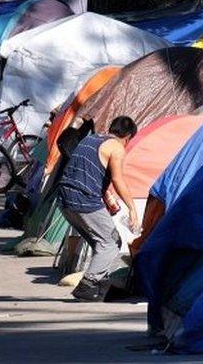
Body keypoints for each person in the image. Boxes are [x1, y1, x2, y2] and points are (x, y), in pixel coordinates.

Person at [57, 115, 139, 301]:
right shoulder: (116, 147)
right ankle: (87, 285)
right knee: (111, 242)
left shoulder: (91, 139)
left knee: (99, 242)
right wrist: (132, 209)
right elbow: (118, 179)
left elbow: (88, 172)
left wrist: (105, 199)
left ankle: (103, 286)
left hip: (64, 198)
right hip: (83, 198)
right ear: (127, 137)